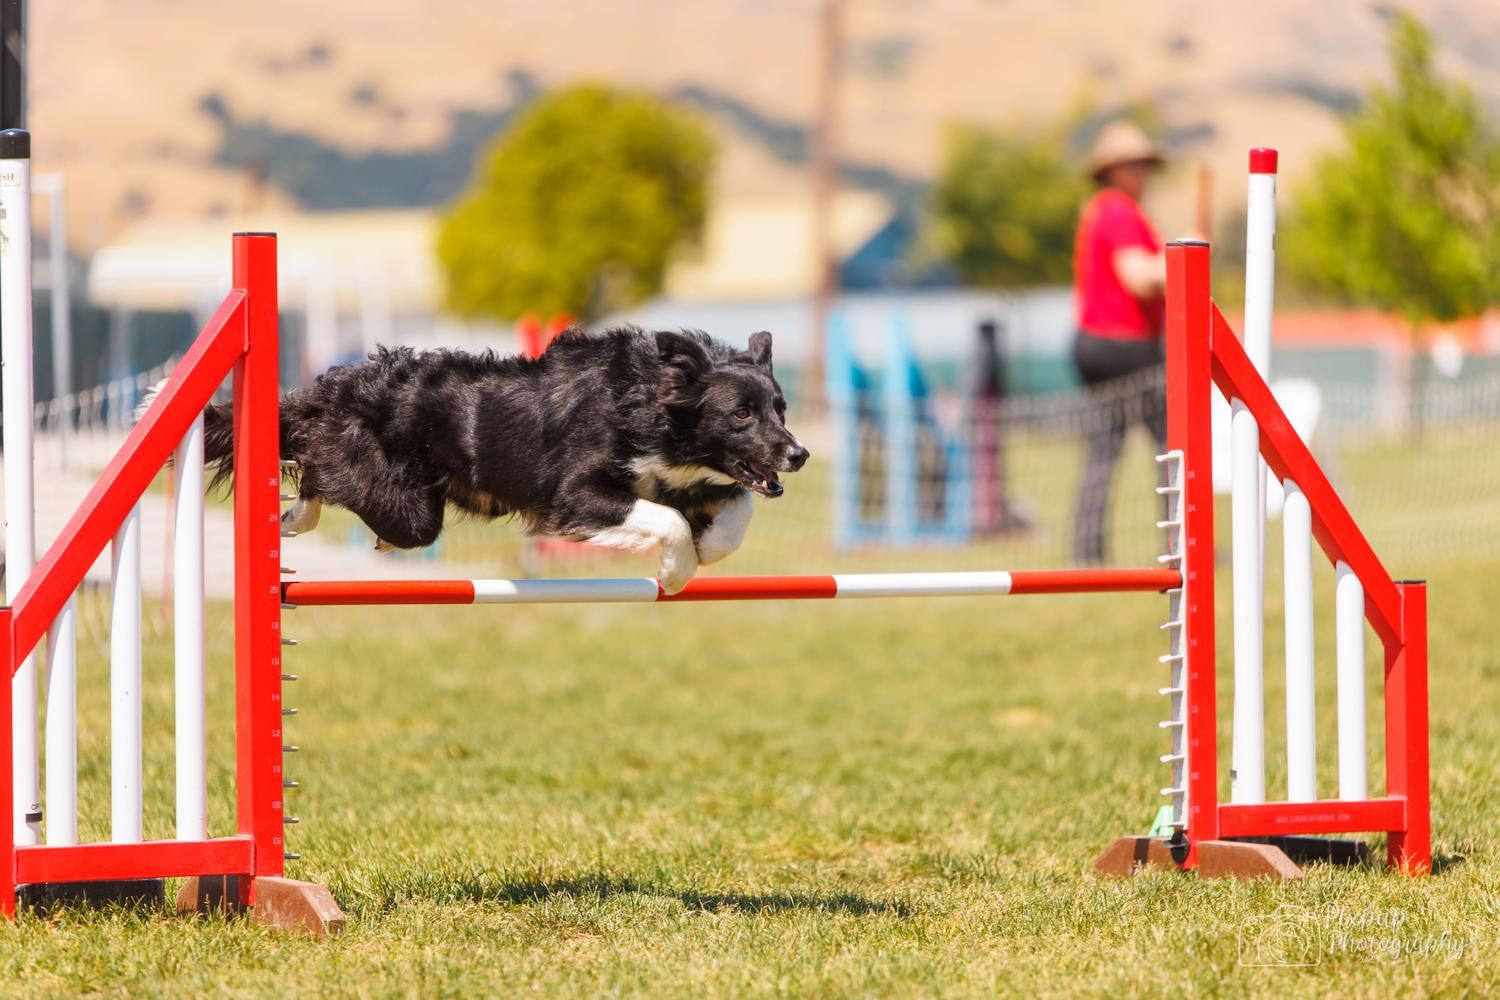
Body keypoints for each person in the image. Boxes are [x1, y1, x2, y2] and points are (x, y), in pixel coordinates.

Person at [1071, 121, 1170, 565]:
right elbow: (1139, 277)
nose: (1140, 173)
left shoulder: (1101, 210)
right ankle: (1183, 547)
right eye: (1131, 165)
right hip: (1126, 347)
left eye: (1142, 164)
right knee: (1173, 448)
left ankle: (1086, 553)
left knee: (1104, 449)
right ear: (1111, 170)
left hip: (1095, 344)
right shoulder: (1119, 212)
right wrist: (1183, 263)